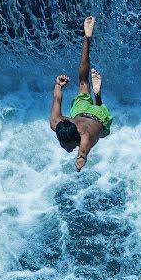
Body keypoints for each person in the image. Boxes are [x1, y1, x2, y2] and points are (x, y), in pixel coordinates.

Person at [49, 16, 113, 171]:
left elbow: (83, 153)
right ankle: (87, 38)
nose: (63, 146)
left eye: (65, 144)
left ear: (73, 140)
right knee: (84, 82)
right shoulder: (56, 122)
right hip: (80, 111)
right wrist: (58, 85)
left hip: (99, 119)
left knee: (100, 114)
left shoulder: (85, 139)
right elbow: (57, 98)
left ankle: (98, 97)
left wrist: (81, 161)